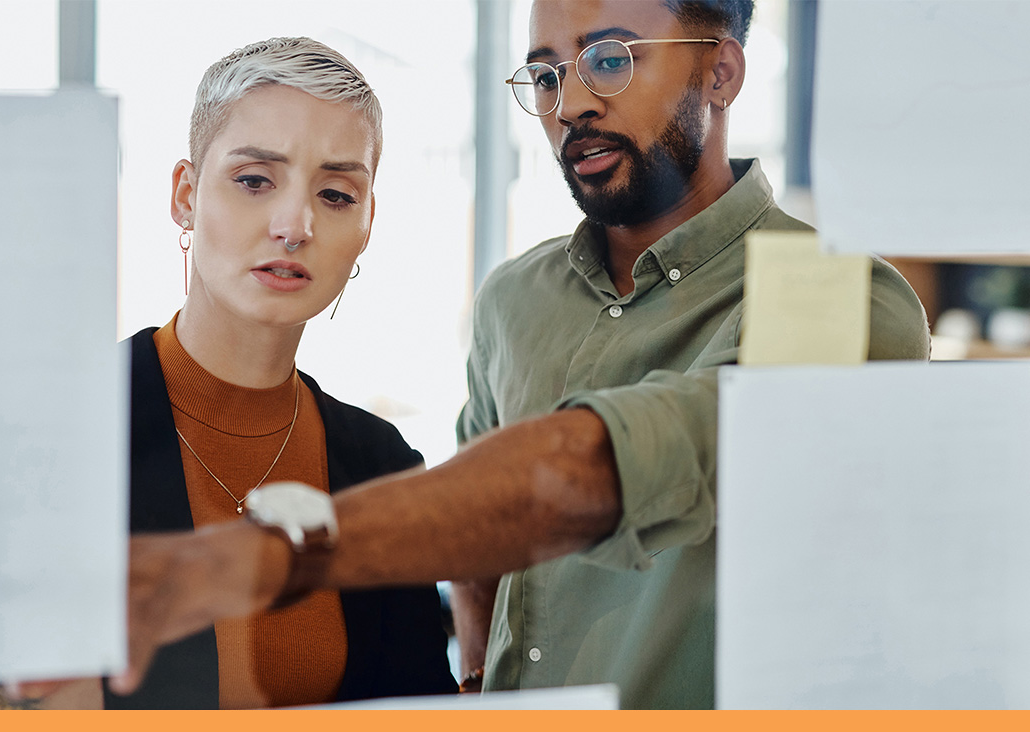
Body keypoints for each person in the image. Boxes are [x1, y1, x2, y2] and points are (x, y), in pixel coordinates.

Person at [110, 0, 931, 709]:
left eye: (610, 59)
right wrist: (474, 681)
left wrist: (255, 557)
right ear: (186, 192)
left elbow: (608, 467)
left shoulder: (839, 299)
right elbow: (480, 548)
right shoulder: (514, 302)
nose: (570, 101)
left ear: (720, 72)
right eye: (545, 75)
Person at [0, 37, 456, 709]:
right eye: (255, 180)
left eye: (336, 193)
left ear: (368, 222)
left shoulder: (383, 468)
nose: (294, 225)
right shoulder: (44, 435)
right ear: (185, 195)